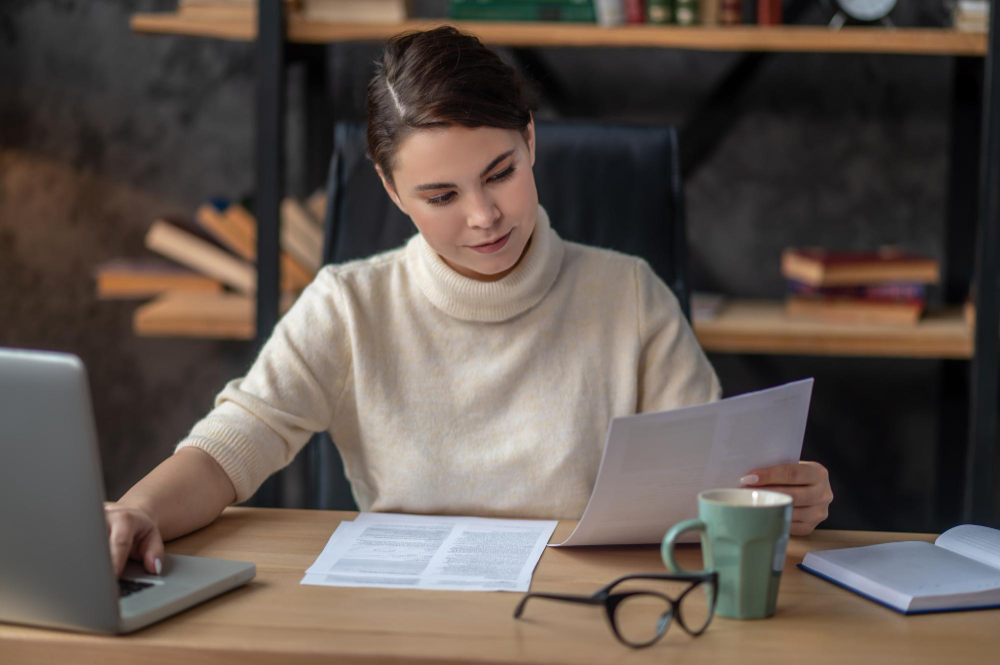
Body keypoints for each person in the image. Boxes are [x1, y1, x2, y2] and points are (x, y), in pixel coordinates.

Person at [106, 26, 833, 578]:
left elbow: (710, 487)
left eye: (500, 173)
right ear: (392, 190)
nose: (484, 216)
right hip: (406, 621)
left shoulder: (630, 296)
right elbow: (229, 446)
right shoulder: (349, 306)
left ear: (530, 140)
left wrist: (781, 498)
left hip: (583, 616)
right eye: (441, 195)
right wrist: (137, 508)